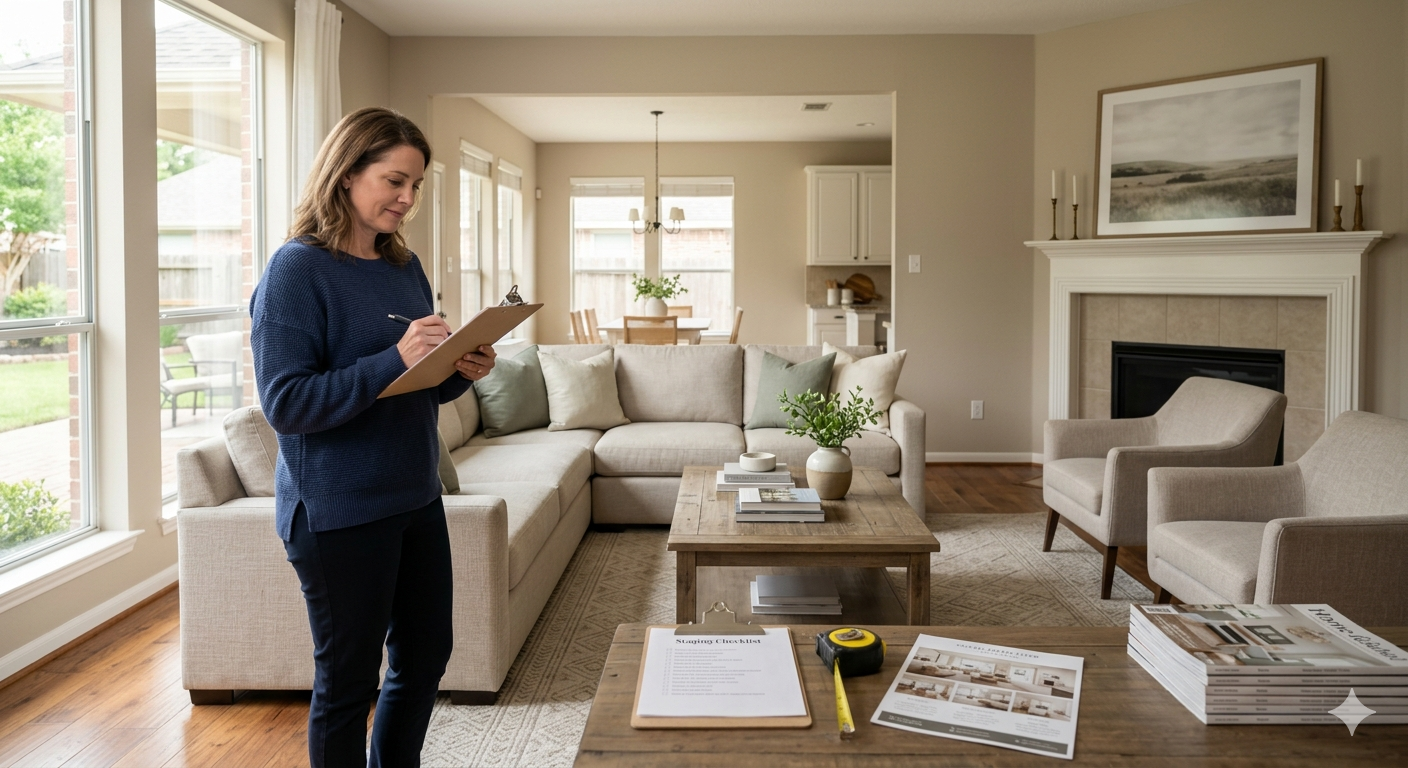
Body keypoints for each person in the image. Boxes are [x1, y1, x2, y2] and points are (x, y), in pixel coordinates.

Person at [250, 107, 495, 768]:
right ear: (346, 172)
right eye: (394, 180)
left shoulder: (402, 264)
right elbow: (286, 403)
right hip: (337, 511)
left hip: (415, 496)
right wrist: (395, 356)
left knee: (424, 659)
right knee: (347, 685)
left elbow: (423, 386)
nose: (407, 198)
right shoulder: (295, 271)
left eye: (415, 184)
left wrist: (462, 370)